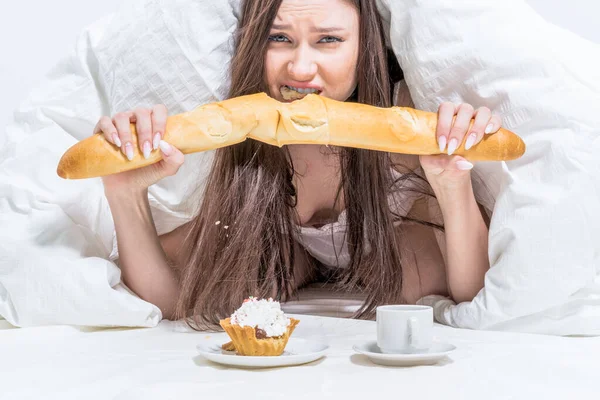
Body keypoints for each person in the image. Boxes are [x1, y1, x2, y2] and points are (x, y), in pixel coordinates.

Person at [94, 0, 502, 329]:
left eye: (328, 39)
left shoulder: (409, 121)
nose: (301, 68)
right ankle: (302, 263)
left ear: (365, 46)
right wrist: (125, 193)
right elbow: (167, 301)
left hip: (395, 237)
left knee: (413, 275)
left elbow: (470, 293)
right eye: (279, 38)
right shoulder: (245, 134)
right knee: (249, 275)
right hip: (286, 243)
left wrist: (452, 186)